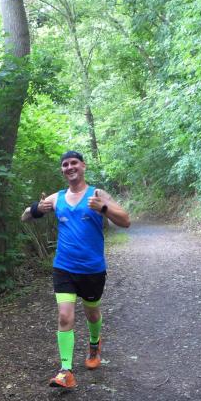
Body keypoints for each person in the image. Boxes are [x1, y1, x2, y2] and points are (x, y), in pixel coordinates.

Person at [21, 150, 131, 388]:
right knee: (64, 316)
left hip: (92, 268)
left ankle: (94, 344)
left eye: (74, 163)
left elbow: (125, 221)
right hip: (64, 267)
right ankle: (66, 371)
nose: (69, 167)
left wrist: (103, 208)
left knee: (92, 312)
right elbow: (25, 217)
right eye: (65, 164)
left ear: (83, 166)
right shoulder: (58, 198)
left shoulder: (97, 194)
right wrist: (37, 208)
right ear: (62, 170)